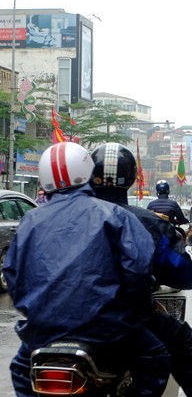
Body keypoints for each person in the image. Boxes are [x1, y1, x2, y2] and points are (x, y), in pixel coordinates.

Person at [4, 142, 170, 396]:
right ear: (88, 172)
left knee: (19, 369)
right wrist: (136, 313)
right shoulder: (115, 215)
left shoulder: (30, 221)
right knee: (156, 358)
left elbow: (14, 276)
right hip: (106, 330)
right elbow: (137, 272)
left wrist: (38, 314)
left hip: (43, 333)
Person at [89, 142, 192, 397]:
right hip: (122, 320)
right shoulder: (146, 223)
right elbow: (180, 272)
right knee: (185, 345)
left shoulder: (53, 218)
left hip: (52, 324)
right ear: (132, 178)